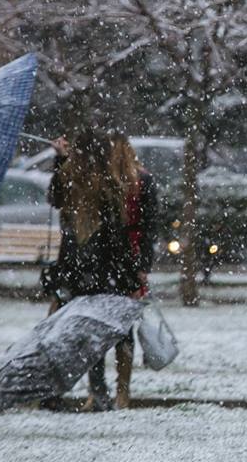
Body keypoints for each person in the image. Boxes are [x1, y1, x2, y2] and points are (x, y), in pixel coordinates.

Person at [44, 129, 143, 411]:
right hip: (104, 268)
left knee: (89, 333)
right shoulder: (105, 182)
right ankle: (113, 393)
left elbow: (55, 199)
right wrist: (131, 271)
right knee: (113, 330)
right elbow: (118, 233)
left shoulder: (74, 178)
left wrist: (60, 161)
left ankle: (96, 392)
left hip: (78, 267)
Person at [105, 131, 159, 409]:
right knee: (118, 328)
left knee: (119, 328)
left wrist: (141, 265)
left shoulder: (139, 181)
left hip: (121, 261)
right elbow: (150, 228)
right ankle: (118, 390)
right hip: (117, 261)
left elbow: (149, 227)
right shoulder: (110, 182)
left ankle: (118, 390)